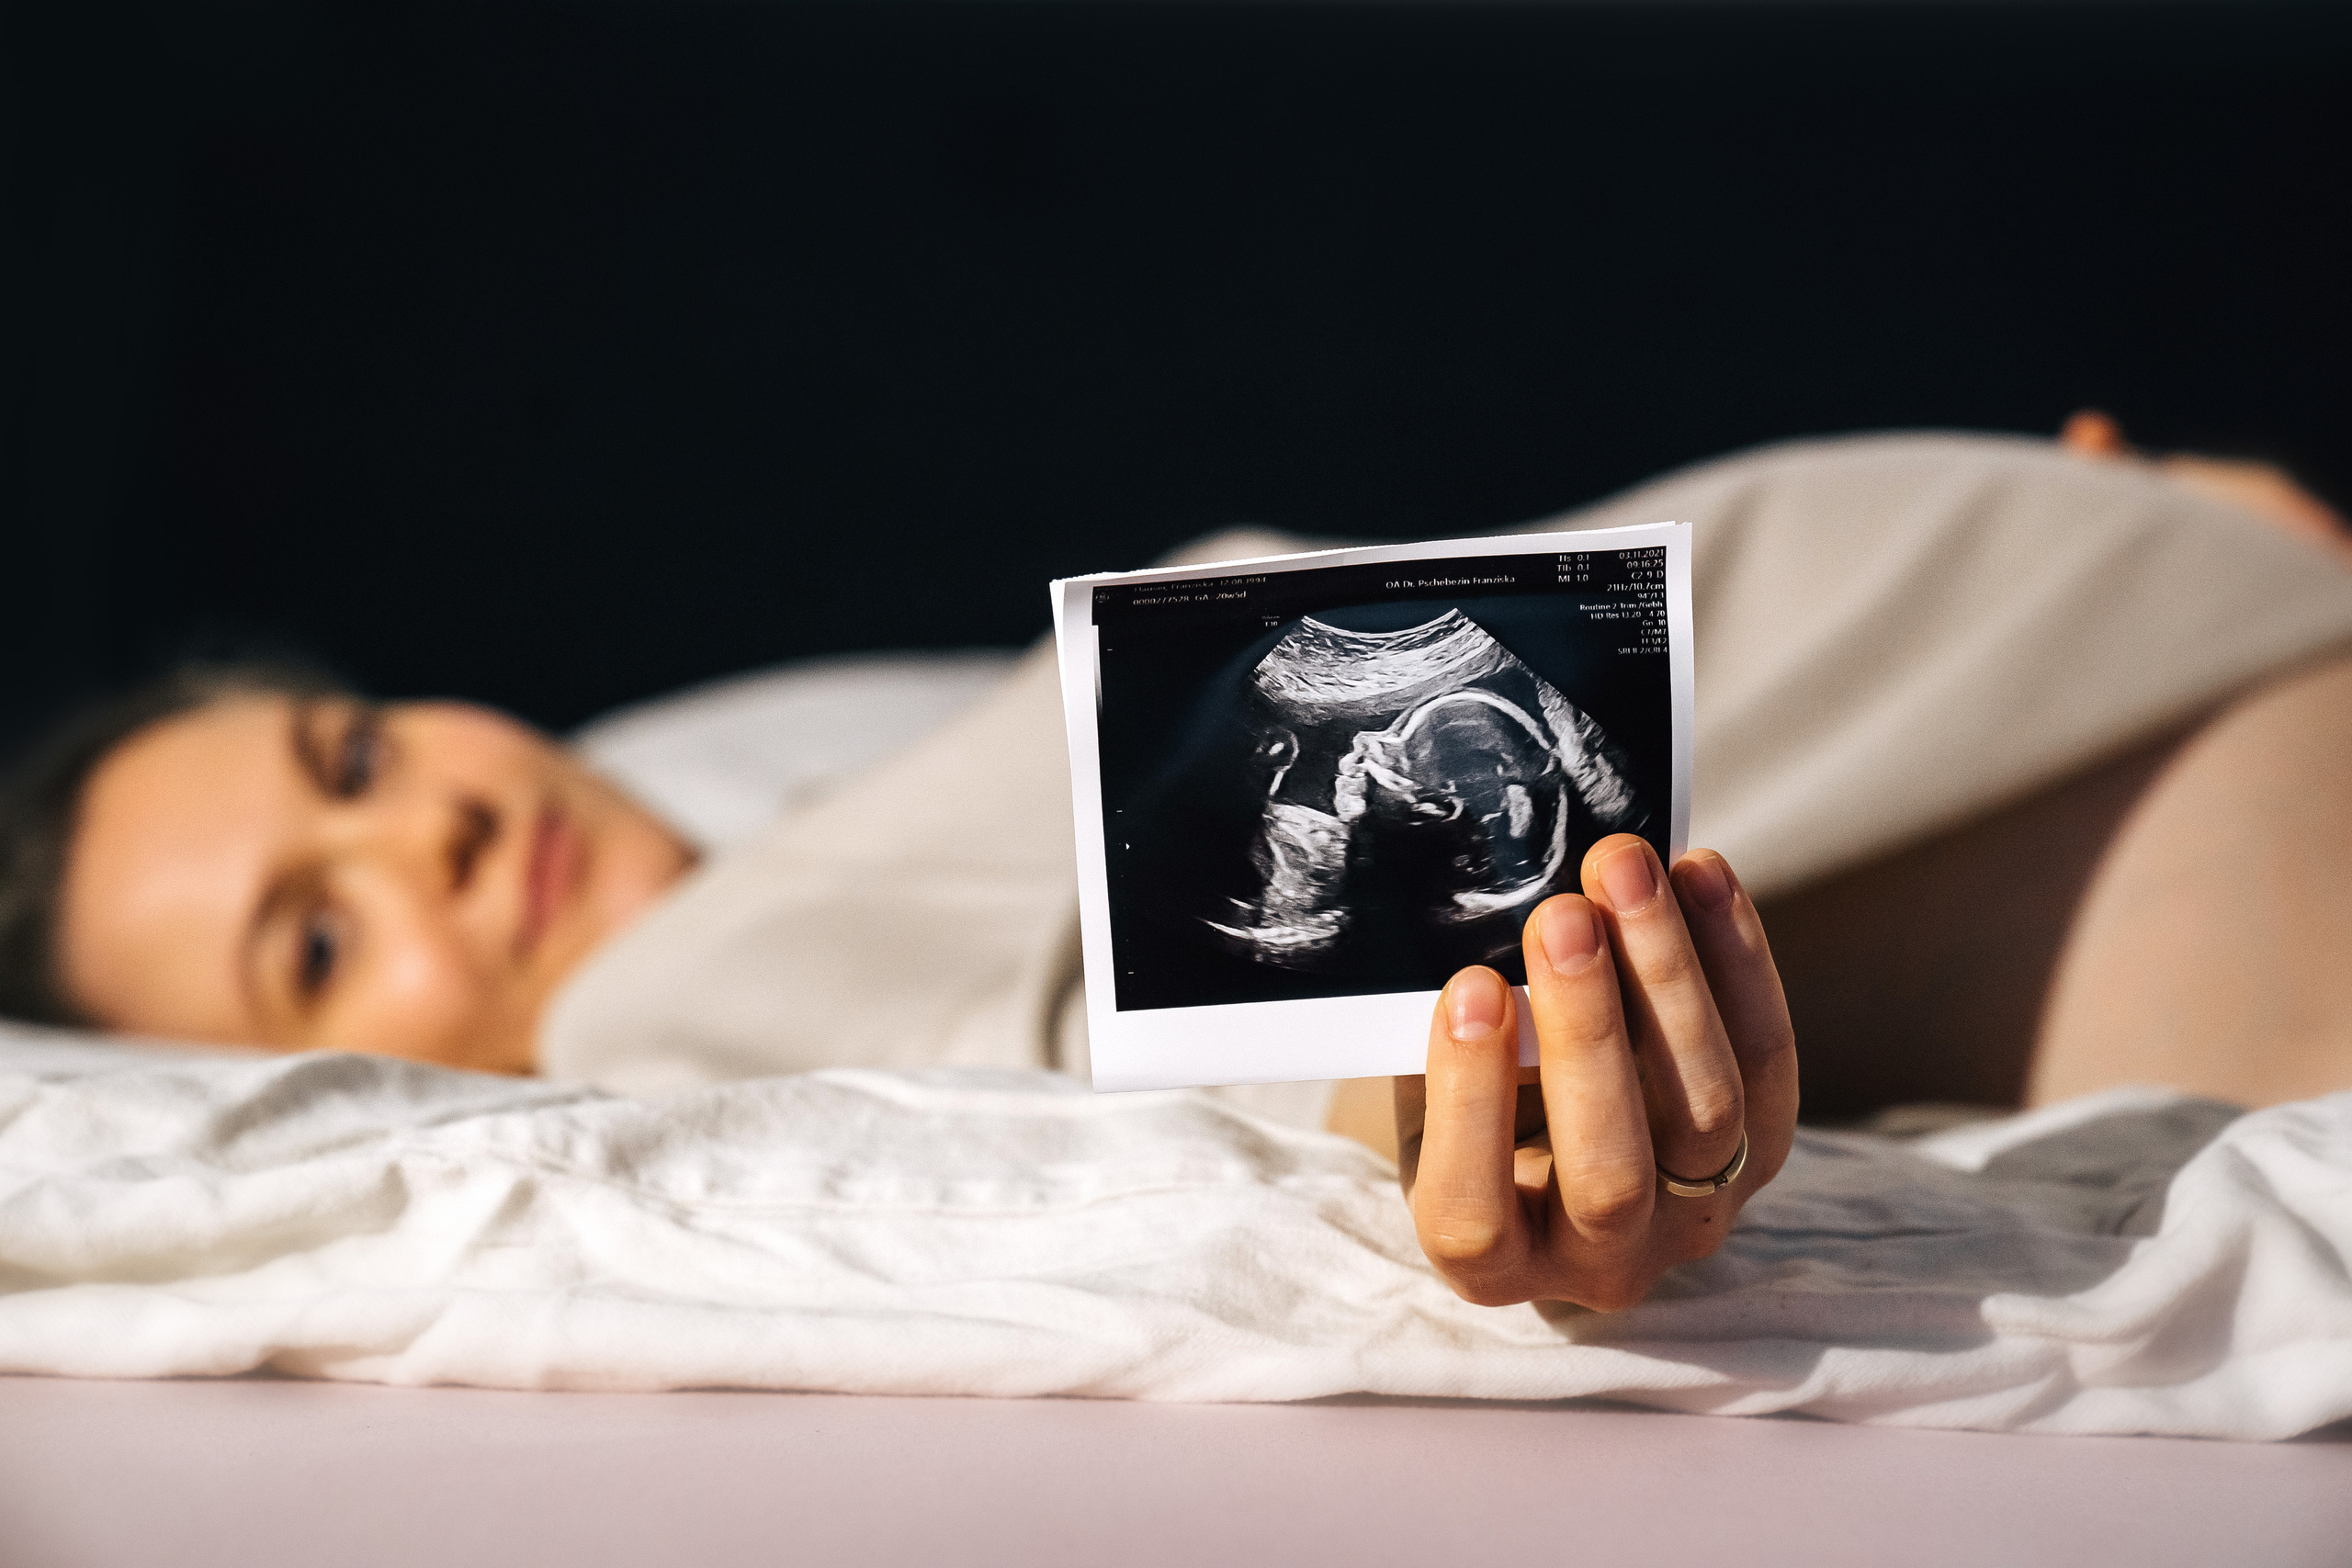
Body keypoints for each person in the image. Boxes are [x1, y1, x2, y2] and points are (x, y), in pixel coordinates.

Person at [5, 418, 2350, 1316]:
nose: (424, 821)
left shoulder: (821, 798)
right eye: (321, 929)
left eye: (349, 747)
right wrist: (1457, 1117)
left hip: (2192, 634)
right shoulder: (661, 1011)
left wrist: (2158, 521)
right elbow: (1086, 1073)